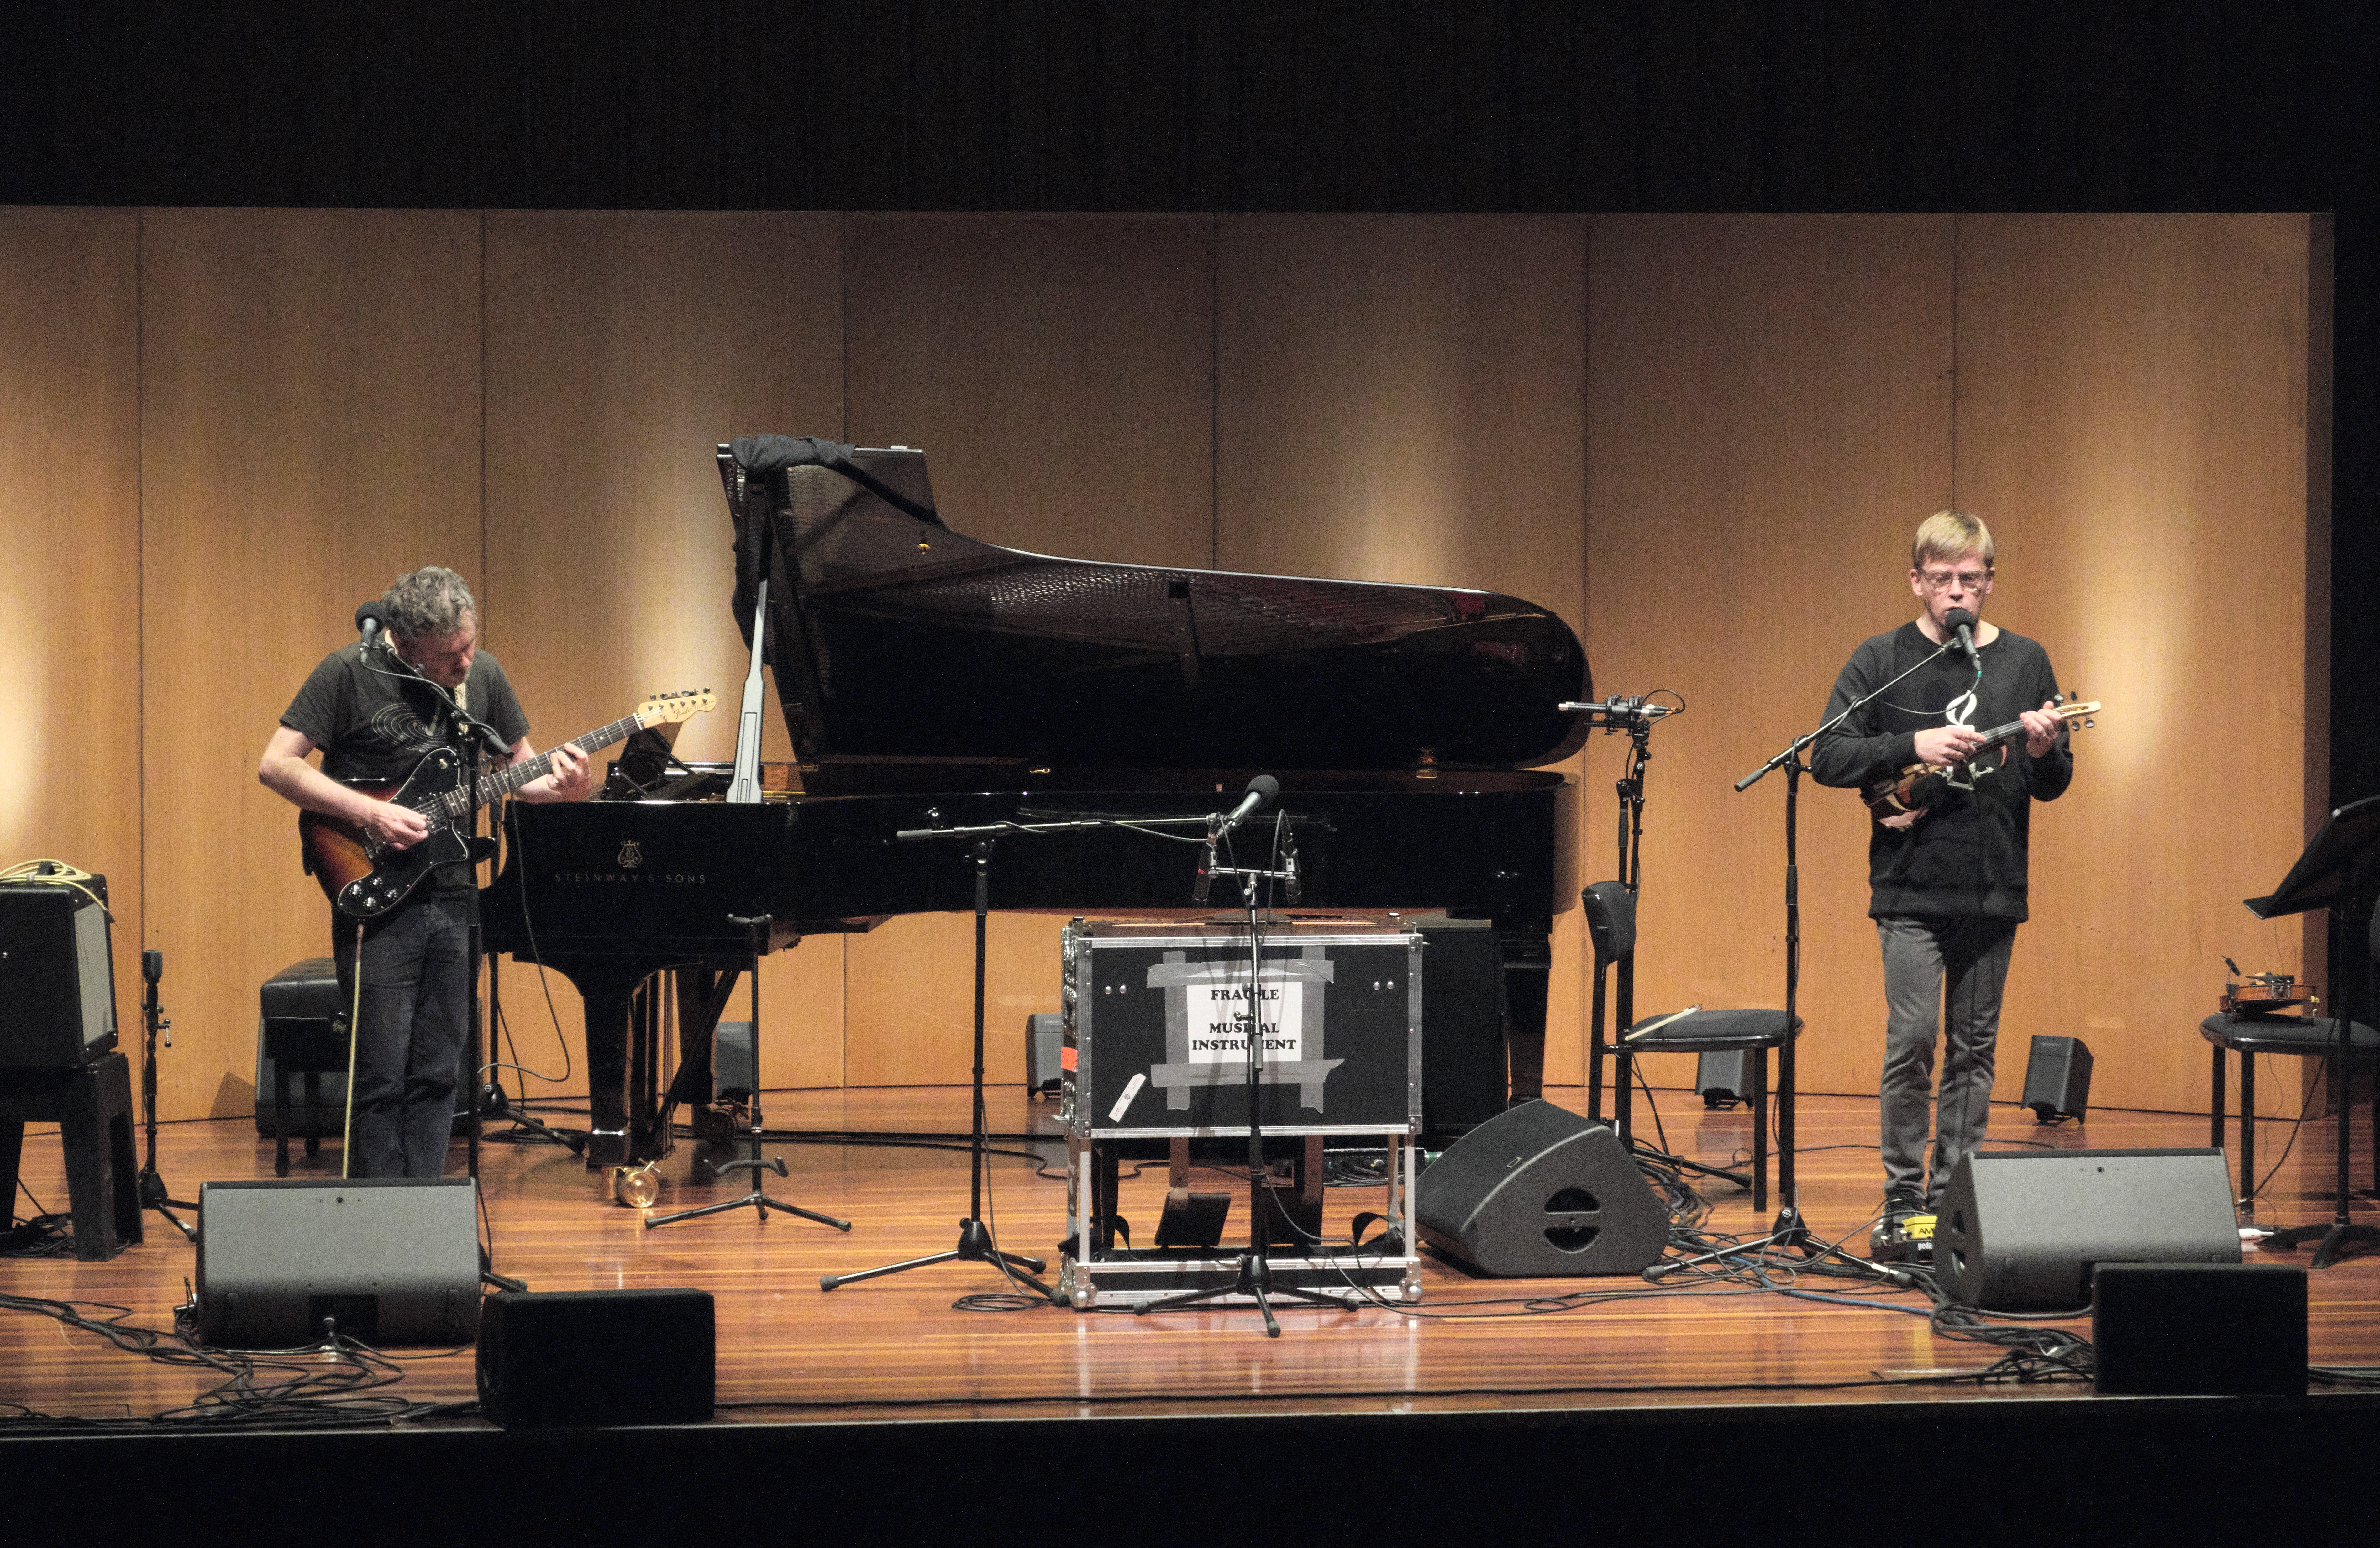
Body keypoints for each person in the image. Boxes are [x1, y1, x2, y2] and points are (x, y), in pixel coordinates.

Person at [259, 567, 589, 1178]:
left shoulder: (482, 675)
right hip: (379, 897)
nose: (465, 662)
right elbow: (277, 766)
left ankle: (425, 1211)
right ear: (403, 644)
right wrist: (372, 814)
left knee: (441, 1070)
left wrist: (566, 787)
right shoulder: (347, 672)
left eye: (469, 645)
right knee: (380, 1070)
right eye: (448, 655)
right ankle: (375, 1221)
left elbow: (524, 771)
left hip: (457, 895)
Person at [1810, 512, 2073, 1228]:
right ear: (1916, 581)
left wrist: (2045, 749)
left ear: (1988, 581)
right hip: (1908, 883)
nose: (1956, 592)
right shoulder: (1880, 656)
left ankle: (1952, 1192)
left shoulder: (2025, 660)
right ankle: (1901, 1193)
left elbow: (2053, 783)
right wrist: (1910, 742)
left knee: (1973, 1050)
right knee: (1913, 1039)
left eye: (1970, 579)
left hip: (1992, 885)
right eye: (1941, 579)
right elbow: (1826, 755)